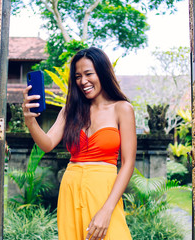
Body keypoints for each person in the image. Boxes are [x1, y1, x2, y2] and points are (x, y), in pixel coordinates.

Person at [22, 47, 136, 240]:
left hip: (104, 190)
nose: (83, 81)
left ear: (103, 72)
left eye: (88, 74)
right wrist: (30, 120)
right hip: (71, 189)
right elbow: (47, 144)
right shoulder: (70, 110)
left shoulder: (122, 109)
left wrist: (107, 210)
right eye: (77, 76)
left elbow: (128, 163)